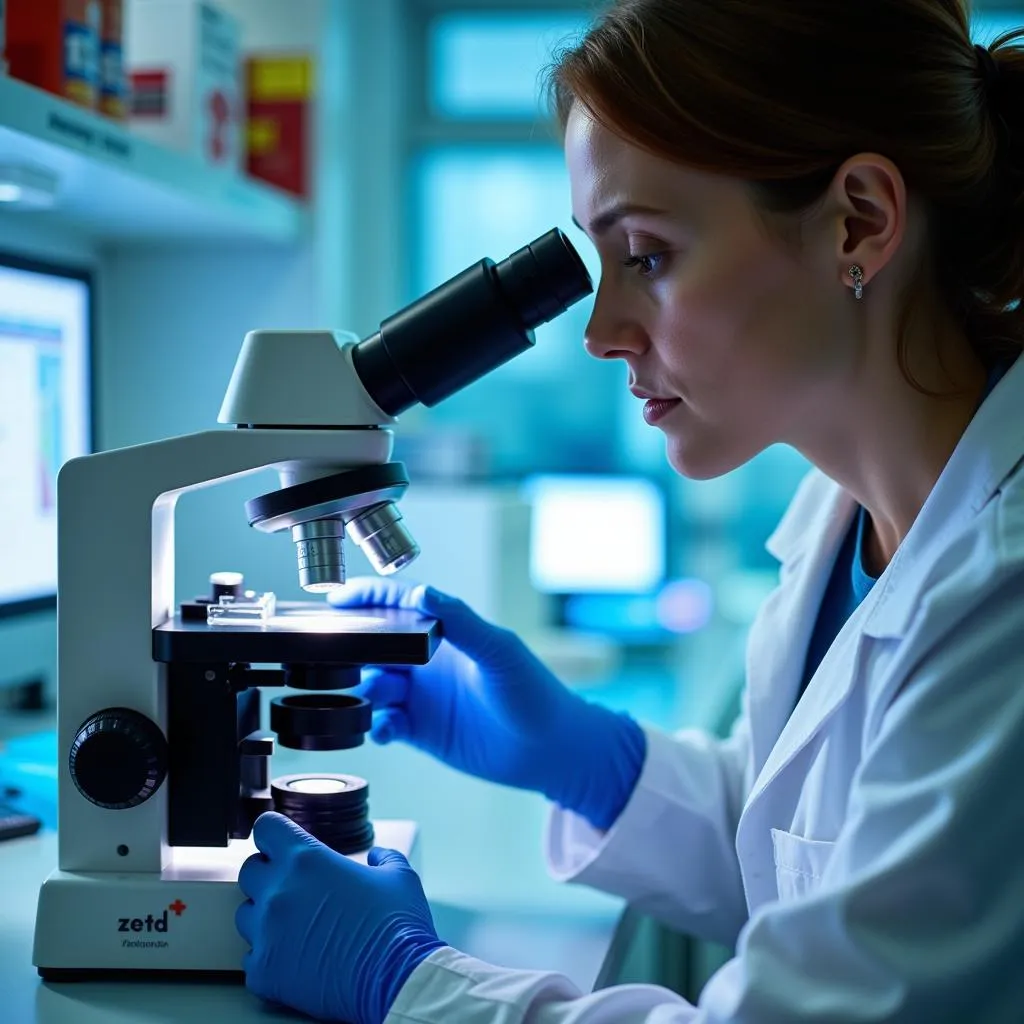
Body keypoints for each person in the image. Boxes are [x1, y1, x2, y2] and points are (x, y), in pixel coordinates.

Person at [232, 1, 1024, 1020]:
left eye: (644, 255)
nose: (601, 331)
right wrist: (586, 758)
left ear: (858, 221)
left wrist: (410, 984)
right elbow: (818, 846)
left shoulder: (1000, 599)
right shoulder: (849, 520)